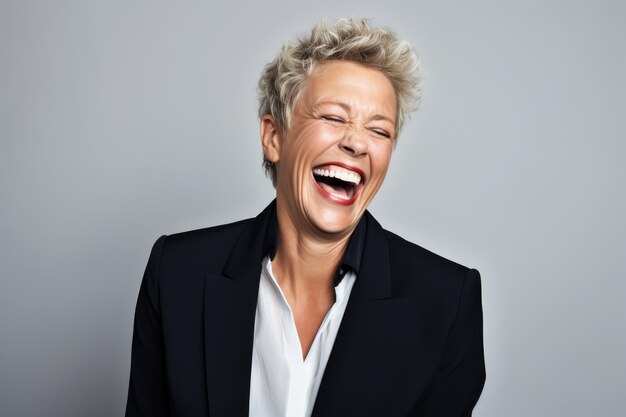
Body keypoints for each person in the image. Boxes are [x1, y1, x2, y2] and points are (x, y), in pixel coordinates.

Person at [125, 18, 485, 417]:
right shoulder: (177, 274)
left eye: (379, 131)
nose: (357, 142)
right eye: (333, 118)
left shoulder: (445, 303)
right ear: (274, 137)